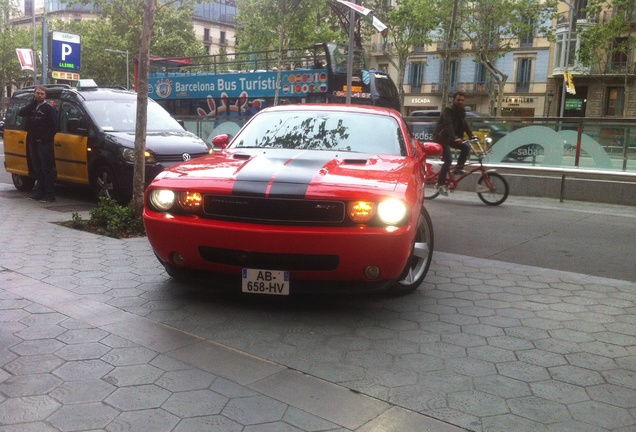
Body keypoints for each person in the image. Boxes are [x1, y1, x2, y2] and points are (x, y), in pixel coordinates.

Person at [18, 86, 59, 202]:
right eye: (37, 93)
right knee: (37, 169)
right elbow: (20, 113)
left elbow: (55, 126)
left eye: (42, 93)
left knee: (47, 169)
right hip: (33, 143)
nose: (39, 95)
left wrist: (45, 139)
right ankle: (39, 193)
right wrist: (32, 104)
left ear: (45, 95)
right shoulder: (32, 108)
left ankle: (50, 195)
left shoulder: (49, 109)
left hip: (44, 144)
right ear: (34, 94)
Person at [432, 91, 476, 196]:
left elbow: (464, 124)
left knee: (466, 147)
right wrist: (455, 137)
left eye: (462, 100)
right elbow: (448, 124)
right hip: (442, 138)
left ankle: (458, 169)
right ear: (453, 100)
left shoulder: (461, 111)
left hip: (451, 138)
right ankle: (440, 184)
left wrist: (471, 135)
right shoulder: (448, 110)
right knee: (448, 160)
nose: (460, 102)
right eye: (458, 100)